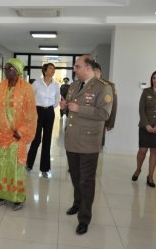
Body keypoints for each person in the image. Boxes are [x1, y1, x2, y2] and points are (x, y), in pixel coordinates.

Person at [59, 55, 113, 235]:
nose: (75, 69)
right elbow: (70, 108)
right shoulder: (74, 86)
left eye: (77, 66)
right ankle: (77, 203)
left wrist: (79, 108)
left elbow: (104, 114)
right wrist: (64, 106)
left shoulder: (103, 87)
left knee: (86, 181)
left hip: (89, 142)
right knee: (75, 177)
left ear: (88, 68)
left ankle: (84, 218)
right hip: (72, 140)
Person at [0, 58, 37, 211]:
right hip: (0, 134)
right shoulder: (0, 87)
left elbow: (31, 114)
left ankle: (17, 198)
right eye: (6, 68)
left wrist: (21, 131)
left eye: (9, 69)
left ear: (18, 71)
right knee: (0, 165)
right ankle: (2, 194)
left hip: (16, 136)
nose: (6, 71)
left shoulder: (26, 88)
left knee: (14, 167)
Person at [132, 70, 156, 188]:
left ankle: (150, 176)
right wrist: (147, 125)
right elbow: (141, 109)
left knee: (154, 151)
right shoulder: (146, 91)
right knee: (142, 150)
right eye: (154, 78)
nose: (155, 80)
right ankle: (138, 169)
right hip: (145, 126)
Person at [26, 63, 60, 178]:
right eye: (51, 68)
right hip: (38, 112)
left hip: (49, 112)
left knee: (47, 139)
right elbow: (30, 98)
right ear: (45, 71)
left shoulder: (56, 85)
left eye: (54, 69)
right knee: (36, 139)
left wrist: (50, 107)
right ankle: (29, 164)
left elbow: (57, 100)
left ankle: (44, 169)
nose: (53, 70)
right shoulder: (36, 83)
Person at [92, 62, 118, 146]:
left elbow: (113, 105)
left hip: (100, 120)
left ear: (101, 72)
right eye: (93, 71)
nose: (95, 74)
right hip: (85, 119)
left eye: (97, 71)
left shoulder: (108, 85)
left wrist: (110, 123)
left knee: (96, 144)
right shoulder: (84, 84)